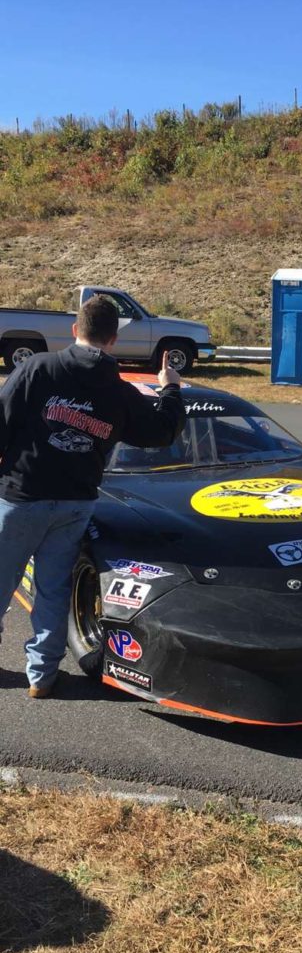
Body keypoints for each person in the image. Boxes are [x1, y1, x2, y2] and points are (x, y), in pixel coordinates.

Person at [0, 295, 186, 698]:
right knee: (52, 591)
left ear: (74, 330)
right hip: (74, 504)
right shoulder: (119, 392)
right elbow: (161, 432)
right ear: (114, 338)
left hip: (20, 495)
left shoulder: (36, 368)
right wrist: (170, 388)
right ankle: (41, 676)